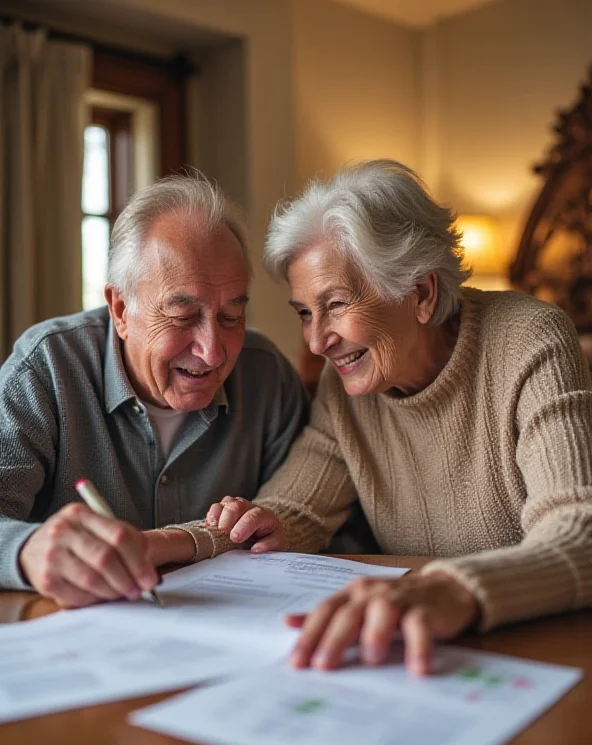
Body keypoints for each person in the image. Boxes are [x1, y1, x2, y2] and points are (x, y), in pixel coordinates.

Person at [202, 159, 592, 675]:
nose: (316, 341)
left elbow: (580, 531)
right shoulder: (350, 393)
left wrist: (453, 588)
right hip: (420, 655)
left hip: (543, 651)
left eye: (336, 304)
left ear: (422, 293)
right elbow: (291, 512)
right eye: (304, 312)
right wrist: (184, 540)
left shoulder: (528, 340)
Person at [0, 174, 307, 607]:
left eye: (231, 317)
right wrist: (25, 550)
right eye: (183, 316)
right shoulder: (46, 369)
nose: (213, 351)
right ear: (121, 309)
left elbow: (306, 518)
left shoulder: (267, 378)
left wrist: (278, 527)